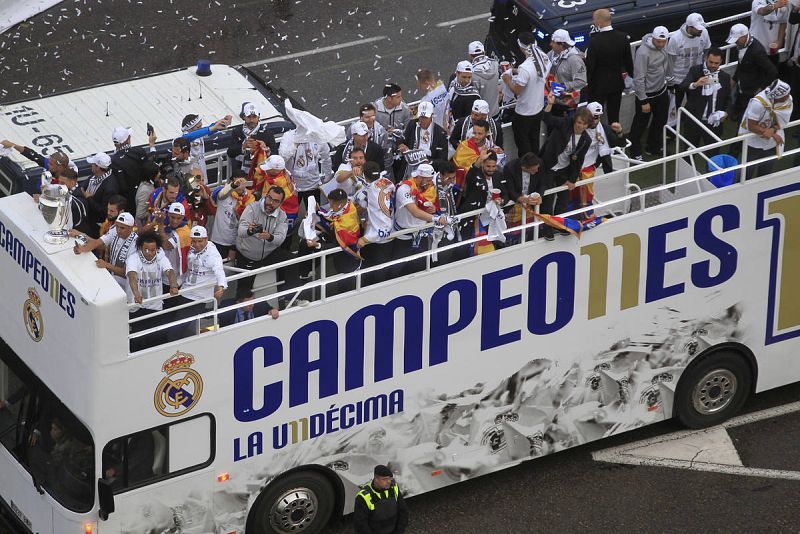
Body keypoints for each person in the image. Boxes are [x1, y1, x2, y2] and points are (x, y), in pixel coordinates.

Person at [236, 186, 301, 309]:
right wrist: (250, 231)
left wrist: (269, 237)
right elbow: (241, 231)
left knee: (291, 261)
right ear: (266, 196)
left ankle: (290, 299)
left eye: (276, 201)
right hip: (247, 254)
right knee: (243, 289)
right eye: (270, 198)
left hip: (269, 253)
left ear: (281, 203)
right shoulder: (251, 208)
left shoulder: (282, 216)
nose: (271, 203)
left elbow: (281, 238)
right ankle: (240, 314)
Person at [168, 225, 227, 340]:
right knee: (171, 322)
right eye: (194, 241)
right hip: (184, 292)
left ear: (206, 239)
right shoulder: (191, 248)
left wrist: (221, 286)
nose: (197, 244)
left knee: (174, 332)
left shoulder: (213, 254)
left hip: (198, 298)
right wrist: (176, 284)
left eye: (200, 241)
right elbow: (188, 271)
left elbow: (219, 270)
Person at [539, 95, 592, 222]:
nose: (581, 126)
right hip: (549, 166)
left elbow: (579, 160)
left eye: (584, 124)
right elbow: (546, 118)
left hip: (564, 170)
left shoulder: (586, 139)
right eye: (579, 122)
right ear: (575, 120)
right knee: (548, 199)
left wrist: (572, 179)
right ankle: (546, 228)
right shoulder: (564, 123)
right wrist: (550, 104)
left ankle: (559, 224)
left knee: (563, 199)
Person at [392, 163, 448, 276]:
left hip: (421, 234)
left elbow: (425, 206)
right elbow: (415, 212)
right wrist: (436, 218)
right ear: (420, 177)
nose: (430, 183)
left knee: (421, 267)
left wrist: (433, 209)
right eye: (428, 180)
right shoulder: (405, 188)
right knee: (396, 270)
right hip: (404, 235)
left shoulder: (426, 188)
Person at [126, 230, 178, 351]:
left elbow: (170, 272)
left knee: (155, 338)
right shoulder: (133, 259)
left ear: (157, 249)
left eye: (153, 250)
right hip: (137, 306)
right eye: (146, 249)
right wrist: (136, 293)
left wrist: (173, 286)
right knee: (136, 340)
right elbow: (132, 276)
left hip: (155, 305)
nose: (149, 253)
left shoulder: (161, 257)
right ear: (140, 248)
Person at [502, 31, 551, 156]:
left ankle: (527, 163)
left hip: (524, 111)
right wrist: (516, 70)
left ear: (520, 46)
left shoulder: (525, 67)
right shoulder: (543, 57)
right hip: (538, 107)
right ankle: (535, 161)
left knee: (523, 142)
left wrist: (507, 80)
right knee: (535, 138)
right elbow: (535, 73)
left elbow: (517, 91)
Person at [629, 26, 674, 161]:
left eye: (663, 42)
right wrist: (643, 100)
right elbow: (639, 78)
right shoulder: (643, 53)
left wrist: (670, 83)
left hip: (662, 91)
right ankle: (635, 152)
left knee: (660, 121)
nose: (661, 44)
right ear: (653, 38)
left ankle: (653, 147)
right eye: (658, 41)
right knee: (639, 125)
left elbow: (666, 65)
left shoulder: (665, 46)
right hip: (647, 95)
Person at [584, 8, 635, 124]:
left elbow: (590, 67)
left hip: (598, 86)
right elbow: (628, 62)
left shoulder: (594, 41)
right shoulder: (623, 37)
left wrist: (589, 86)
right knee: (614, 117)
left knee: (592, 117)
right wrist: (631, 78)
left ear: (599, 22)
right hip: (616, 84)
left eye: (594, 20)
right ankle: (615, 140)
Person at [679, 49, 732, 154]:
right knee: (688, 152)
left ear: (721, 61)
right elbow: (682, 86)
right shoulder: (695, 70)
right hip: (694, 120)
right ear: (706, 58)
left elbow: (727, 99)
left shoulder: (724, 77)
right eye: (710, 62)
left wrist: (726, 113)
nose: (713, 65)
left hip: (714, 123)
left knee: (713, 154)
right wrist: (695, 84)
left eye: (716, 63)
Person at [739, 79, 792, 179]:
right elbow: (751, 126)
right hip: (752, 142)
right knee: (746, 174)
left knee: (766, 173)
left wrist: (772, 130)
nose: (788, 97)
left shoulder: (787, 100)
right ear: (776, 97)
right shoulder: (758, 103)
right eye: (785, 96)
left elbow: (783, 120)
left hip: (771, 143)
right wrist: (773, 134)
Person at [73, 212, 138, 290]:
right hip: (112, 278)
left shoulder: (135, 245)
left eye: (122, 228)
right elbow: (97, 243)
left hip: (126, 286)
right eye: (117, 226)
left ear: (130, 228)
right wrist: (82, 249)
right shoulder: (115, 231)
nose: (119, 230)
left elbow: (126, 273)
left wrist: (106, 265)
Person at [458, 150, 506, 255]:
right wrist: (479, 160)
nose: (491, 169)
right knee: (465, 247)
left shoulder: (498, 175)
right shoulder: (475, 174)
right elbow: (470, 176)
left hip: (492, 216)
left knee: (497, 243)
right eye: (488, 166)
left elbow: (505, 193)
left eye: (493, 166)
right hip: (473, 217)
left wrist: (502, 201)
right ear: (483, 164)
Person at [354, 162, 395, 284]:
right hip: (381, 235)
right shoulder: (386, 181)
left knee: (377, 277)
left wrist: (365, 239)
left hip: (380, 241)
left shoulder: (373, 192)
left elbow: (384, 228)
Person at [728, 23, 779, 122]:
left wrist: (761, 88)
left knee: (745, 119)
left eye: (736, 39)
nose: (735, 42)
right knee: (737, 113)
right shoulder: (742, 45)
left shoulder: (757, 51)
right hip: (742, 88)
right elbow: (741, 64)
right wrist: (734, 79)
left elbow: (772, 71)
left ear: (744, 36)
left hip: (751, 92)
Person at [501, 152, 551, 240]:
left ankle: (545, 231)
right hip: (516, 202)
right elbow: (510, 189)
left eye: (537, 168)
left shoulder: (540, 164)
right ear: (524, 167)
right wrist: (521, 198)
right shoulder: (510, 168)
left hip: (532, 201)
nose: (537, 171)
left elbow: (543, 183)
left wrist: (539, 195)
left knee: (547, 206)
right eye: (533, 170)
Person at [666, 14, 711, 109]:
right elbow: (670, 61)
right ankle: (673, 123)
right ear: (689, 27)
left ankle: (687, 120)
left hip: (695, 77)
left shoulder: (704, 33)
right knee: (674, 105)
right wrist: (670, 81)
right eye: (698, 29)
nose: (701, 31)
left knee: (695, 103)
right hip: (678, 79)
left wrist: (705, 68)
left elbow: (707, 50)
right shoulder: (676, 38)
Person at [211, 172, 255, 262]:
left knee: (232, 269)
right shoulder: (224, 193)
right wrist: (233, 185)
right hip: (218, 241)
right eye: (237, 183)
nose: (239, 186)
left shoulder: (250, 199)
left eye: (242, 183)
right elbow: (222, 194)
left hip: (237, 242)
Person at [398, 101, 449, 177]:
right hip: (410, 165)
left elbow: (443, 160)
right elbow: (402, 139)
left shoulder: (441, 133)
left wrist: (428, 161)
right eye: (421, 117)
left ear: (432, 115)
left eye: (425, 117)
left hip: (429, 168)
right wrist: (401, 145)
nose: (422, 120)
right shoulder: (412, 124)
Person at [353, 464, 408, 534]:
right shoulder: (363, 496)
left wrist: (399, 531)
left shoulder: (394, 488)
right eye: (385, 479)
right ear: (376, 479)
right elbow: (361, 525)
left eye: (390, 478)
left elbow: (403, 511)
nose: (388, 482)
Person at [228, 102, 279, 174]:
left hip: (260, 173)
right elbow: (230, 152)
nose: (251, 120)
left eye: (254, 117)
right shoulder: (237, 131)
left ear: (258, 117)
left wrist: (266, 149)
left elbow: (275, 154)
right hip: (240, 174)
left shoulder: (267, 133)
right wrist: (243, 147)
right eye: (249, 117)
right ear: (243, 117)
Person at [547, 29, 588, 115]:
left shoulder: (574, 59)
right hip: (554, 100)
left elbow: (582, 81)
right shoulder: (552, 54)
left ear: (561, 44)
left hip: (569, 103)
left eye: (553, 42)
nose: (550, 44)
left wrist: (562, 86)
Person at [350, 103, 393, 179]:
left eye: (372, 116)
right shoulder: (353, 129)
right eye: (367, 117)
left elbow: (387, 155)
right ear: (361, 118)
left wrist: (385, 175)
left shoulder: (382, 133)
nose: (371, 119)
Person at [110, 126, 150, 208]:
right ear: (128, 139)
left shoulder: (113, 161)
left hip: (127, 202)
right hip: (145, 197)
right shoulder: (140, 152)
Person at [154, 202, 192, 281]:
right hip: (159, 273)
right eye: (173, 217)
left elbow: (166, 245)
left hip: (176, 276)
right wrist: (155, 220)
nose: (175, 221)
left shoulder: (185, 232)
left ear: (183, 217)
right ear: (168, 215)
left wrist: (160, 224)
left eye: (178, 218)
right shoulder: (165, 225)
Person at [84, 151, 121, 228]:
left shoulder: (110, 188)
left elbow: (104, 211)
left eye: (93, 164)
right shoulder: (95, 175)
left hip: (97, 224)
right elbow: (85, 184)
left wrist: (89, 198)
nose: (91, 166)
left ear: (98, 167)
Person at [468, 41, 501, 119]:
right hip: (495, 111)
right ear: (484, 52)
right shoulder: (495, 64)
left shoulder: (471, 75)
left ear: (470, 55)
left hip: (480, 116)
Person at [445, 61, 482, 131]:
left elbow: (468, 121)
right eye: (464, 77)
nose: (467, 80)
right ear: (457, 74)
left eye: (469, 77)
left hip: (458, 128)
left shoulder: (473, 96)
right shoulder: (453, 79)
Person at [135, 161, 161, 228]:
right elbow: (140, 214)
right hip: (144, 226)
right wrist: (153, 212)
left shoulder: (147, 184)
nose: (159, 174)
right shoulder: (145, 191)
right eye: (157, 172)